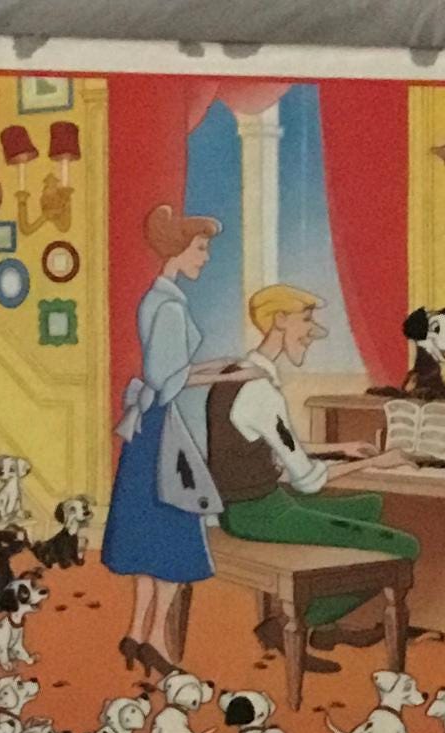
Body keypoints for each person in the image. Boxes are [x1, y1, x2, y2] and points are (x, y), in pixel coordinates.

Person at [207, 284, 418, 653]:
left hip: (242, 506)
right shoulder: (260, 390)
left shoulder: (238, 373)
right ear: (279, 320)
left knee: (370, 505)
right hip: (259, 514)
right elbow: (307, 480)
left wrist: (341, 448)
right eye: (306, 320)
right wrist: (376, 462)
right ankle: (296, 622)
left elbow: (273, 444)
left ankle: (326, 629)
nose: (312, 332)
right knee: (405, 545)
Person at [104, 206, 254, 678]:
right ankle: (154, 639)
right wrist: (226, 375)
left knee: (148, 530)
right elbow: (167, 379)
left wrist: (220, 367)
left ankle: (135, 631)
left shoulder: (156, 297)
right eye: (201, 248)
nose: (205, 258)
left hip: (147, 428)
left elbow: (169, 370)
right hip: (159, 428)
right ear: (179, 249)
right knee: (174, 530)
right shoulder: (169, 306)